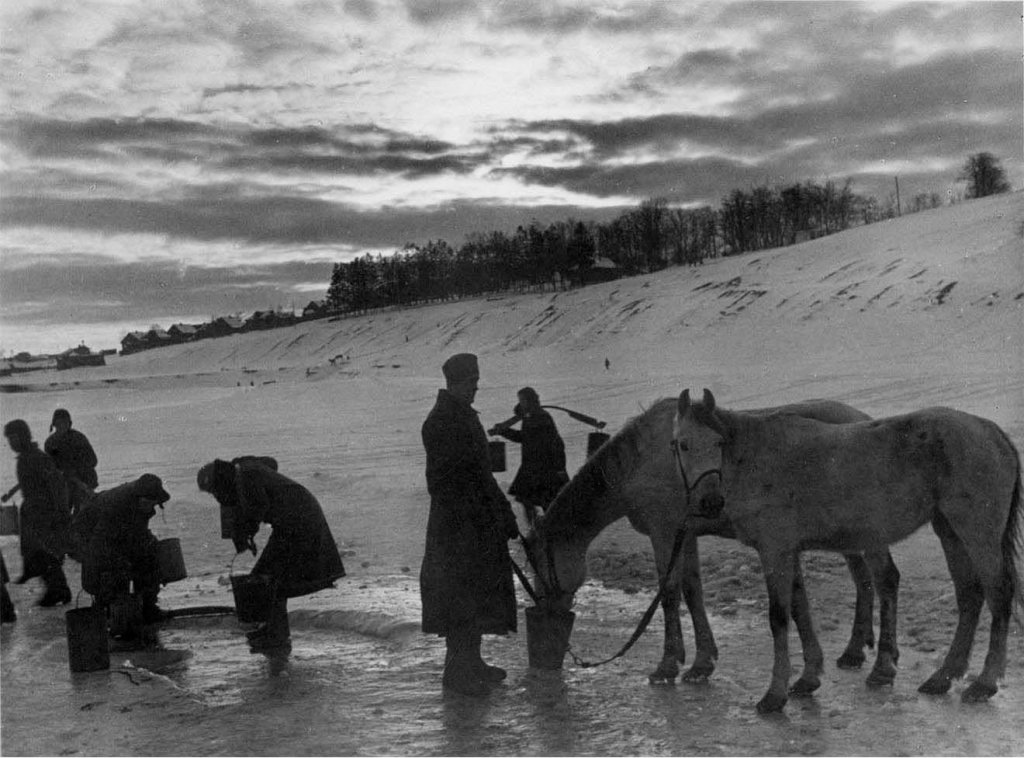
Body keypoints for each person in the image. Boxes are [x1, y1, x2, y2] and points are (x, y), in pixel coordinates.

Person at [421, 353, 520, 697]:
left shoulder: (461, 416)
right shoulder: (442, 421)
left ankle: (472, 663)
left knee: (475, 596)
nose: (477, 389)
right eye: (473, 383)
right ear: (458, 383)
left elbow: (482, 475)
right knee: (461, 598)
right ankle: (457, 672)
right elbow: (447, 481)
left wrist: (502, 510)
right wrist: (484, 511)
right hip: (458, 527)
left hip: (475, 523)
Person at [197, 456, 345, 654]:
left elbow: (258, 506)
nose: (216, 495)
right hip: (298, 516)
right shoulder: (243, 468)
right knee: (270, 580)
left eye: (214, 490)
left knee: (267, 581)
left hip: (298, 521)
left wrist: (245, 533)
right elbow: (271, 462)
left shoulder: (245, 476)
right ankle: (274, 635)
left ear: (221, 481)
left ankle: (274, 637)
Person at [76, 473, 171, 627]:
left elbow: (138, 532)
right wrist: (121, 560)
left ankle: (147, 608)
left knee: (149, 558)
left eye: (153, 503)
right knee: (114, 571)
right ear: (140, 498)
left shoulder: (141, 502)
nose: (151, 507)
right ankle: (108, 612)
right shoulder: (116, 506)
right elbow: (101, 542)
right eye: (148, 503)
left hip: (112, 535)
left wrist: (151, 545)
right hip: (90, 535)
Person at [3, 419, 72, 606]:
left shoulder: (36, 457)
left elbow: (56, 485)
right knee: (37, 551)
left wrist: (60, 512)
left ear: (25, 436)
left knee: (45, 552)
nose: (12, 444)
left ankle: (59, 590)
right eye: (9, 440)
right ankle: (55, 587)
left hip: (44, 513)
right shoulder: (27, 457)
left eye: (15, 438)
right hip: (33, 513)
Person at [487, 386, 569, 525]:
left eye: (522, 400)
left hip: (543, 467)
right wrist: (503, 430)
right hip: (533, 467)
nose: (521, 403)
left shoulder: (540, 417)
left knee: (540, 501)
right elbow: (525, 437)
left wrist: (503, 431)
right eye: (520, 400)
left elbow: (555, 444)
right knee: (532, 499)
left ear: (530, 401)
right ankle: (541, 528)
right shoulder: (532, 415)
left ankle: (543, 529)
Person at [44, 408, 99, 515]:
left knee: (84, 513)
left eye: (64, 423)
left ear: (70, 424)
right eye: (59, 423)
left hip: (84, 481)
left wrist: (77, 472)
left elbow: (93, 460)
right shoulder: (50, 443)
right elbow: (51, 466)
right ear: (54, 425)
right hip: (64, 485)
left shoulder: (78, 438)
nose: (62, 426)